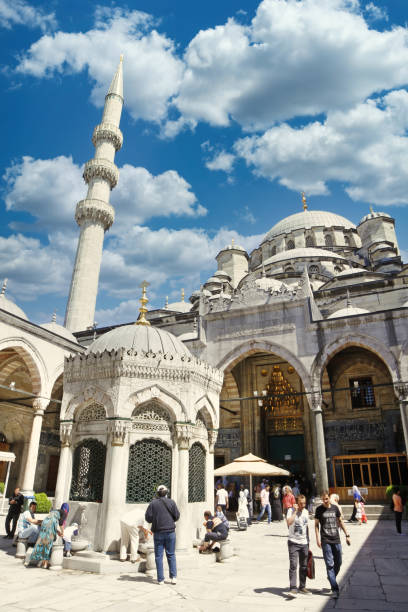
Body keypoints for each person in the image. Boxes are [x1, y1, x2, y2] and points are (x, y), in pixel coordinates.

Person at [315, 490, 351, 599]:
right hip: (325, 540)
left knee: (338, 562)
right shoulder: (319, 510)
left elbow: (340, 521)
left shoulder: (335, 508)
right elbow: (316, 525)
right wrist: (317, 539)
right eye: (323, 499)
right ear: (322, 499)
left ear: (329, 498)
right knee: (329, 564)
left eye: (327, 498)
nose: (325, 501)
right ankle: (334, 588)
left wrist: (347, 535)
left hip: (336, 539)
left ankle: (331, 578)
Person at [145, 485, 180, 585]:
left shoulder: (153, 503)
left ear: (157, 493)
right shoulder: (172, 502)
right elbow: (177, 516)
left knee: (158, 556)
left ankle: (160, 579)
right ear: (167, 492)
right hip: (170, 532)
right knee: (171, 554)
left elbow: (148, 518)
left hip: (159, 532)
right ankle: (173, 577)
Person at [286, 494, 310, 597]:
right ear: (297, 503)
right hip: (293, 542)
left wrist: (308, 541)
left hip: (304, 543)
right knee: (293, 565)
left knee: (304, 566)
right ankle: (293, 588)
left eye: (304, 503)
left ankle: (302, 586)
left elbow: (306, 527)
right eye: (301, 503)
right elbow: (289, 522)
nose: (303, 505)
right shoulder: (290, 511)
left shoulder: (306, 512)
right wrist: (295, 511)